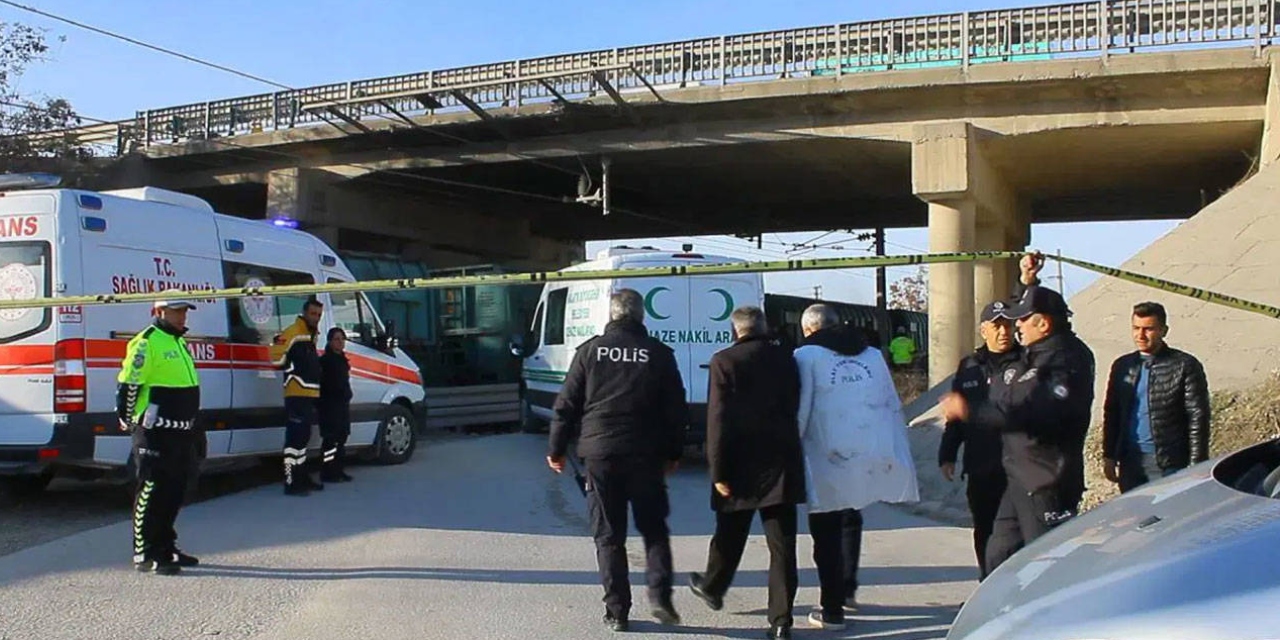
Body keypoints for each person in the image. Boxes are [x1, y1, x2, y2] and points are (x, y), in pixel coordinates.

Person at [546, 288, 688, 632]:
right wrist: (674, 453)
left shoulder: (590, 351)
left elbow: (566, 405)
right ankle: (661, 599)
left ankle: (617, 611)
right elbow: (676, 409)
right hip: (646, 453)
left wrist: (556, 449)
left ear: (611, 315)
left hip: (600, 453)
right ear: (641, 316)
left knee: (608, 535)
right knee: (654, 529)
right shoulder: (658, 353)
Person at [941, 279, 1095, 575]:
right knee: (999, 549)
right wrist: (1025, 282)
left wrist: (971, 411)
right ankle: (996, 610)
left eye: (1023, 320)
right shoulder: (1036, 355)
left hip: (1047, 480)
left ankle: (1046, 618)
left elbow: (1032, 414)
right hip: (1019, 477)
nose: (1017, 327)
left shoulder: (1064, 361)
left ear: (1045, 324)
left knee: (1044, 562)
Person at [794, 305, 920, 631]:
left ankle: (832, 608)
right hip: (867, 448)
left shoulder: (806, 355)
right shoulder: (872, 354)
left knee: (826, 529)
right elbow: (890, 401)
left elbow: (803, 406)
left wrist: (791, 444)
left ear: (809, 329)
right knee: (851, 518)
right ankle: (847, 588)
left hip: (828, 453)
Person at [687, 306, 805, 639]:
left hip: (739, 465)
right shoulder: (787, 359)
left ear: (735, 330)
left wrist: (718, 470)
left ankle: (712, 586)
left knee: (729, 532)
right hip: (781, 462)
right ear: (764, 327)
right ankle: (781, 622)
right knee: (782, 548)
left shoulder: (725, 361)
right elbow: (795, 403)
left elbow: (718, 419)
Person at [118, 291, 202, 575]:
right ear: (159, 311)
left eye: (184, 312)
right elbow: (130, 383)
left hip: (181, 431)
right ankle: (145, 552)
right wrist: (128, 419)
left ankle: (166, 545)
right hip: (154, 431)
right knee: (152, 489)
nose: (182, 316)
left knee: (176, 490)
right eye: (176, 311)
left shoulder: (179, 342)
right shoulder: (146, 342)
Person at [937, 300, 1017, 580]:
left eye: (1008, 324)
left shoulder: (1025, 363)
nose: (1003, 331)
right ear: (984, 330)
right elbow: (956, 415)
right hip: (980, 465)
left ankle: (1014, 589)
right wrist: (947, 453)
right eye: (996, 325)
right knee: (985, 529)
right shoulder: (970, 366)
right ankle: (987, 585)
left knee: (1014, 534)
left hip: (1016, 465)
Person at [1102, 301, 1210, 493]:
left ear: (1163, 330)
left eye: (1148, 329)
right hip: (1130, 461)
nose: (1140, 335)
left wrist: (1197, 464)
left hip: (1169, 462)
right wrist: (1109, 455)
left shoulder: (1184, 365)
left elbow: (1197, 417)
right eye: (1136, 328)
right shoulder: (1122, 366)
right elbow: (1112, 412)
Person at [270, 297, 325, 496]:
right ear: (304, 313)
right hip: (296, 393)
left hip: (310, 393)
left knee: (303, 439)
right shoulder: (293, 332)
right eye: (313, 314)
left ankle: (301, 476)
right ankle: (291, 481)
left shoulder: (310, 335)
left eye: (319, 315)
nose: (316, 318)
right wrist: (293, 370)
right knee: (294, 440)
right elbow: (276, 356)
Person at [319, 327, 354, 483]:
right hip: (329, 406)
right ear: (330, 341)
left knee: (341, 439)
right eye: (336, 339)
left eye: (342, 339)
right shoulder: (326, 361)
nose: (340, 342)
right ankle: (328, 472)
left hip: (342, 406)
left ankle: (339, 470)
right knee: (330, 440)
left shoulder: (343, 360)